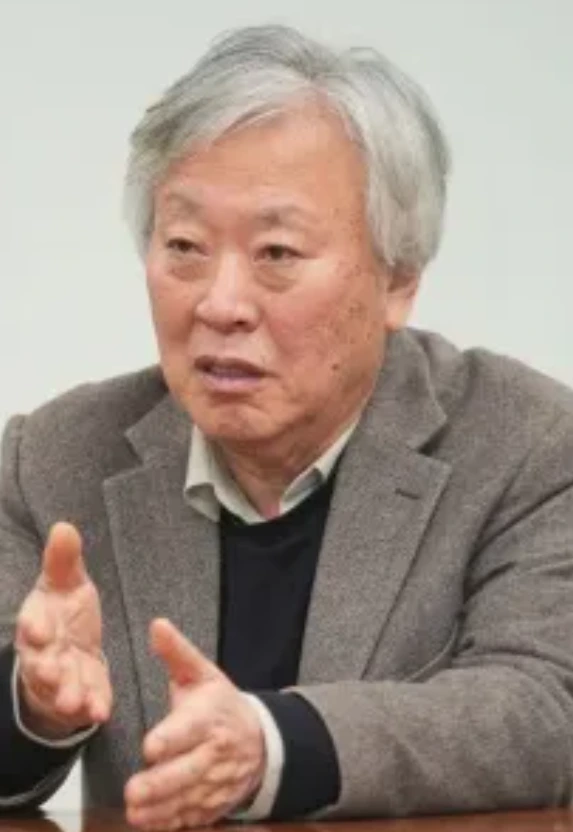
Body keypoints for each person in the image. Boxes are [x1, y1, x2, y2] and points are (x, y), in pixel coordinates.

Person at [1, 23, 573, 829]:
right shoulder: (55, 459)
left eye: (276, 252)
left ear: (397, 279)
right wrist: (32, 706)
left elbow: (542, 710)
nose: (220, 304)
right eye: (185, 246)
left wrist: (272, 746)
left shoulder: (527, 445)